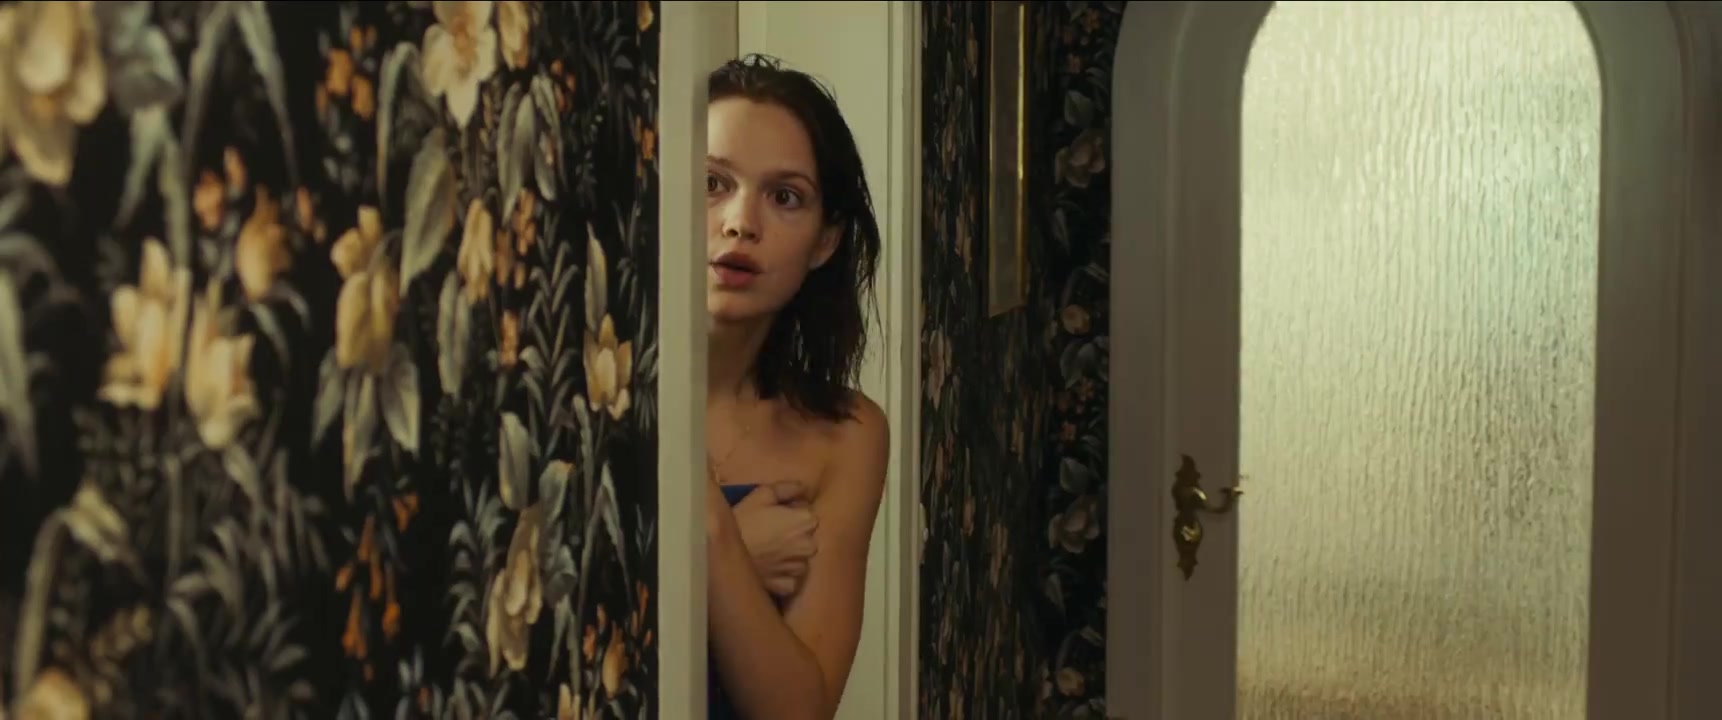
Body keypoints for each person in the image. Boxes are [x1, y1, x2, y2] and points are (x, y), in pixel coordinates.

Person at [701, 53, 889, 720]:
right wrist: (735, 553)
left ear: (824, 242)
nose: (740, 222)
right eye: (712, 182)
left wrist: (713, 545)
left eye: (785, 197)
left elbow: (798, 712)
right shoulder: (587, 396)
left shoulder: (846, 435)